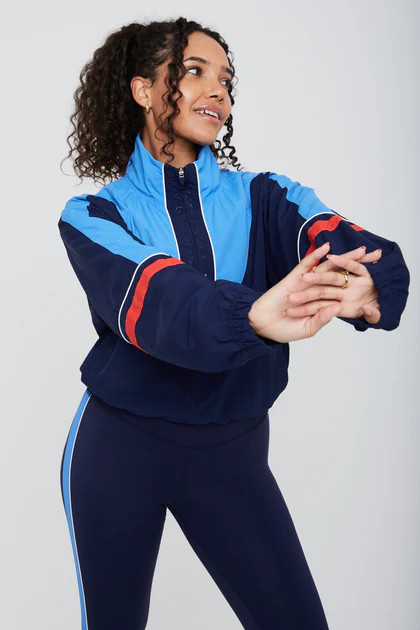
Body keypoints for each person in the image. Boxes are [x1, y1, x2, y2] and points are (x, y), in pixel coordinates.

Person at [58, 17, 410, 630]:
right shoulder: (92, 215)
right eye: (193, 72)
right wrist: (251, 316)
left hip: (231, 451)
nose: (217, 91)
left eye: (225, 79)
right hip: (119, 448)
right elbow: (157, 296)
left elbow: (338, 237)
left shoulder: (266, 196)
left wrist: (369, 280)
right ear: (144, 90)